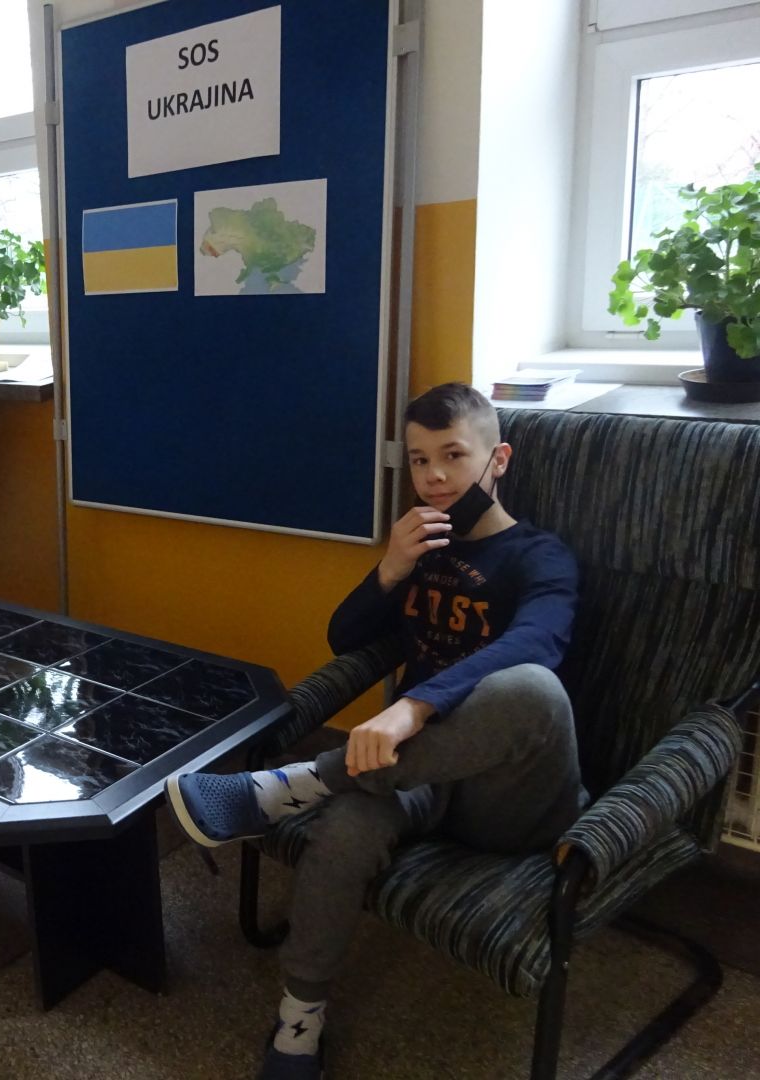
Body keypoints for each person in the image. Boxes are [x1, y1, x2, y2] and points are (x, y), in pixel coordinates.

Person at [165, 383, 587, 1080]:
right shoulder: (423, 548)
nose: (435, 477)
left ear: (499, 459)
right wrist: (390, 569)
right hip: (413, 776)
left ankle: (298, 783)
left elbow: (538, 642)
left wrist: (414, 705)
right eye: (420, 460)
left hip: (509, 795)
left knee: (532, 690)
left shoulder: (540, 556)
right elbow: (346, 639)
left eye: (454, 455)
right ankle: (299, 1022)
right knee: (347, 829)